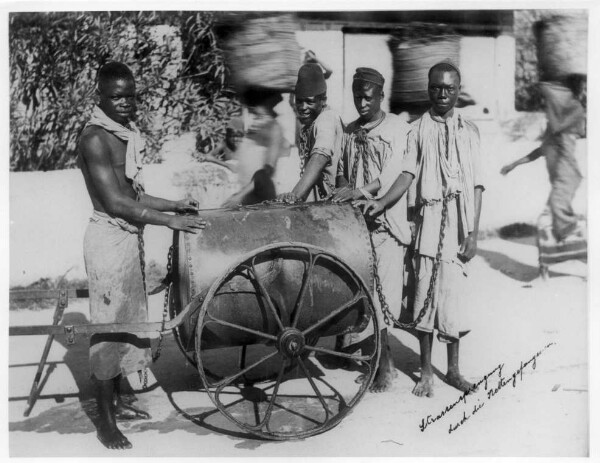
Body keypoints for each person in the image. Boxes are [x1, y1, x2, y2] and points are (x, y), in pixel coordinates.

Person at [77, 62, 206, 449]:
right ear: (100, 96)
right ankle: (105, 422)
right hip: (107, 242)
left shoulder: (125, 134)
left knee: (128, 324)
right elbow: (116, 203)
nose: (125, 103)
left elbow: (134, 196)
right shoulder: (95, 138)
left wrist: (175, 205)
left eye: (131, 96)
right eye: (117, 96)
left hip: (127, 237)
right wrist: (169, 221)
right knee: (107, 330)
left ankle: (119, 399)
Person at [357, 61, 485, 398]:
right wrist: (383, 203)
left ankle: (454, 370)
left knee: (453, 299)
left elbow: (477, 186)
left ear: (459, 89)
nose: (442, 94)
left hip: (458, 223)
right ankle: (426, 371)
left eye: (449, 88)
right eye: (436, 87)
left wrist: (473, 234)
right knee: (424, 295)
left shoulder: (470, 131)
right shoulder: (416, 130)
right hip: (429, 220)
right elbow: (407, 175)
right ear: (427, 89)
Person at [332, 67, 411, 393]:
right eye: (356, 96)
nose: (362, 102)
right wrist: (344, 187)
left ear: (381, 95)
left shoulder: (397, 129)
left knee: (383, 294)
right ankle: (370, 353)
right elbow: (340, 169)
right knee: (362, 290)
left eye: (368, 96)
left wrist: (362, 192)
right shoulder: (349, 131)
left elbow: (394, 173)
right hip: (358, 225)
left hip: (386, 222)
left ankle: (385, 363)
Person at [500, 74, 586, 243]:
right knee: (544, 223)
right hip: (559, 183)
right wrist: (513, 165)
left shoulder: (573, 113)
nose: (546, 109)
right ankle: (547, 264)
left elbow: (560, 126)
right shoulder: (552, 136)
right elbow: (539, 152)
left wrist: (548, 96)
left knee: (556, 217)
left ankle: (576, 235)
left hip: (567, 180)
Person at [277, 63, 344, 202]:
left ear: (323, 100)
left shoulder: (326, 119)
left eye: (309, 102)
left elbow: (319, 157)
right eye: (299, 101)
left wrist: (294, 196)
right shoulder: (311, 124)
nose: (303, 107)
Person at [222, 87, 287, 206]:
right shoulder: (255, 127)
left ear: (265, 103)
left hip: (261, 196)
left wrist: (239, 196)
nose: (251, 109)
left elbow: (266, 172)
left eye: (255, 105)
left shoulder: (274, 129)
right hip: (248, 194)